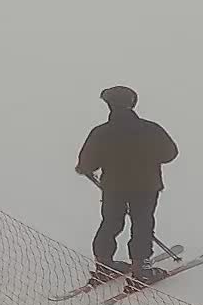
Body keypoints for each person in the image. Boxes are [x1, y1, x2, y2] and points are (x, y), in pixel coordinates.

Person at [76, 85, 177, 285]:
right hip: (146, 186)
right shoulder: (150, 129)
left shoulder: (101, 133)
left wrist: (87, 168)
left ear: (109, 105)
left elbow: (86, 164)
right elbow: (170, 154)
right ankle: (141, 268)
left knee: (111, 222)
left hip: (113, 187)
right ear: (133, 103)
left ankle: (103, 266)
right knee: (142, 222)